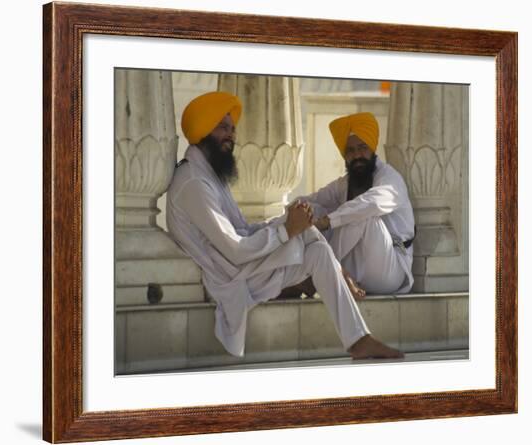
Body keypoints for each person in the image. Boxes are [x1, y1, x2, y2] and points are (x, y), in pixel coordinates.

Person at [166, 91, 403, 360]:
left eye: (232, 129)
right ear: (203, 129)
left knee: (314, 245)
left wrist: (289, 221)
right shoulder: (194, 183)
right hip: (227, 276)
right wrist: (286, 229)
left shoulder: (209, 175)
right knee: (308, 239)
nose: (231, 135)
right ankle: (331, 295)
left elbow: (242, 230)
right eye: (223, 128)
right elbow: (235, 249)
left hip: (240, 267)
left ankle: (358, 339)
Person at [295, 112, 415, 298]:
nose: (357, 155)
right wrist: (294, 213)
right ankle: (311, 271)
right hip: (354, 267)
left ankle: (317, 274)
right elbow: (310, 200)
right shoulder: (344, 184)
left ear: (372, 149)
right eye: (350, 151)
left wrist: (327, 221)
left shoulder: (390, 179)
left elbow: (370, 203)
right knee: (310, 209)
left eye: (362, 147)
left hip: (389, 270)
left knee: (362, 214)